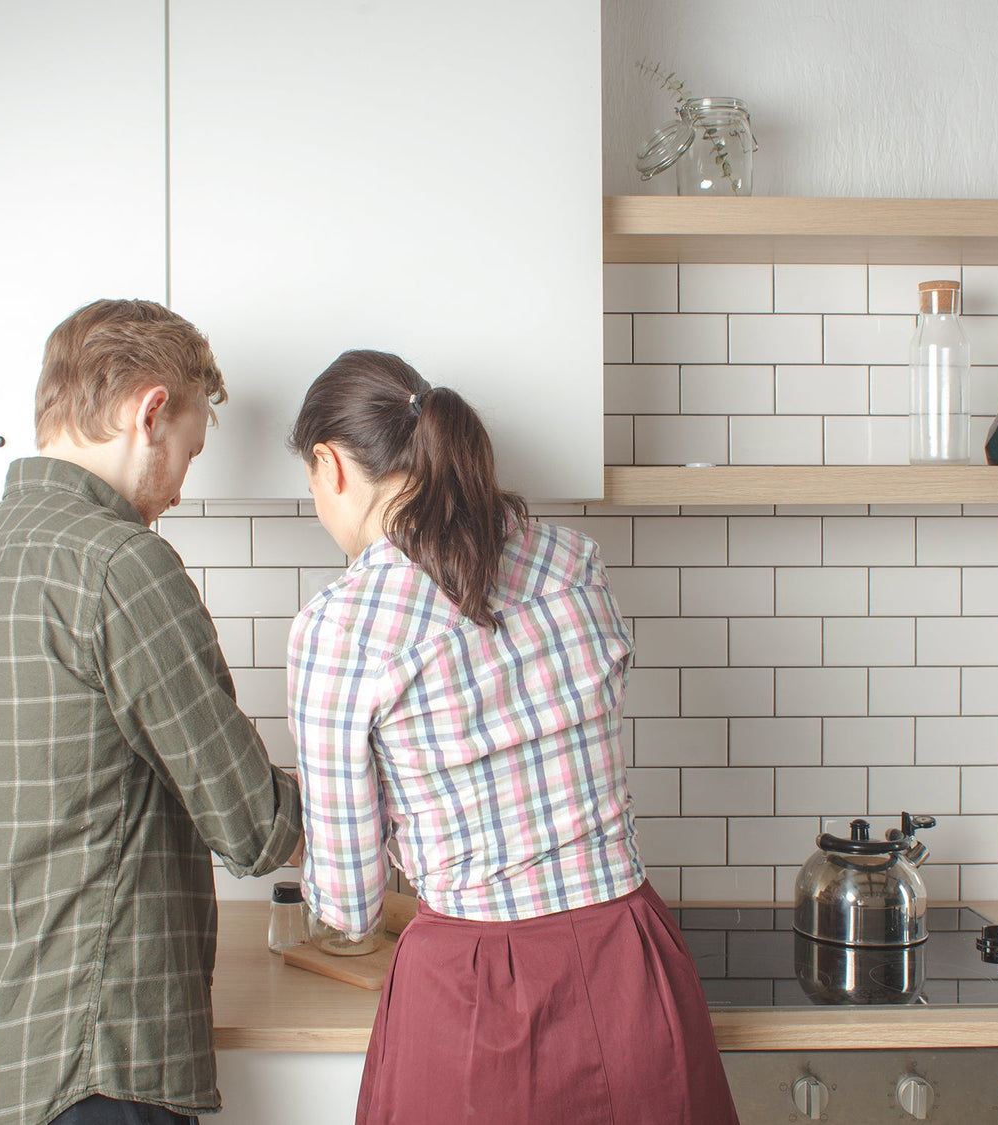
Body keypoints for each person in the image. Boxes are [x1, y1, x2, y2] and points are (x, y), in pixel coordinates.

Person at [284, 349, 738, 1125]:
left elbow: (351, 906)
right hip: (630, 955)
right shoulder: (573, 561)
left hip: (473, 992)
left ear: (329, 465)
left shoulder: (342, 625)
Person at [0, 299, 304, 1125]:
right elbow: (254, 828)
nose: (181, 486)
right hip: (86, 1069)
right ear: (150, 412)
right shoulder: (123, 564)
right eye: (190, 452)